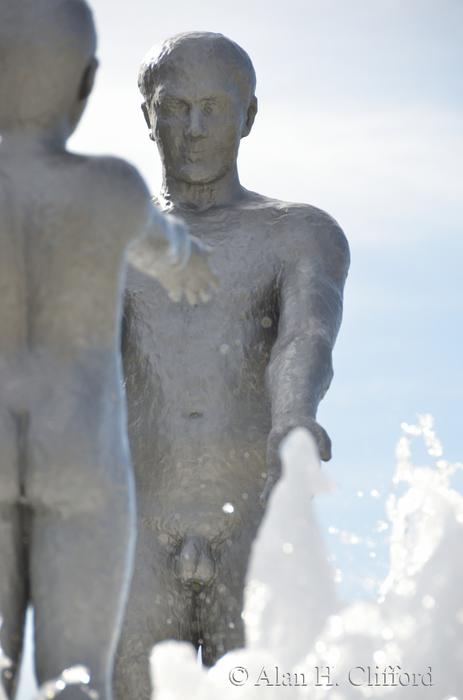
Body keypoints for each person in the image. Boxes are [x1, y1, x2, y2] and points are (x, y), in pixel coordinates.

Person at [114, 31, 350, 699]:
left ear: (248, 116)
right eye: (174, 107)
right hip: (136, 529)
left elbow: (306, 333)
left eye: (213, 108)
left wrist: (295, 414)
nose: (192, 129)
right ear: (146, 115)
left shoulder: (296, 232)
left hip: (248, 523)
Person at [0, 6, 216, 700]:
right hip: (82, 450)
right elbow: (174, 253)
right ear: (85, 83)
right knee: (76, 681)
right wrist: (191, 267)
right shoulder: (112, 190)